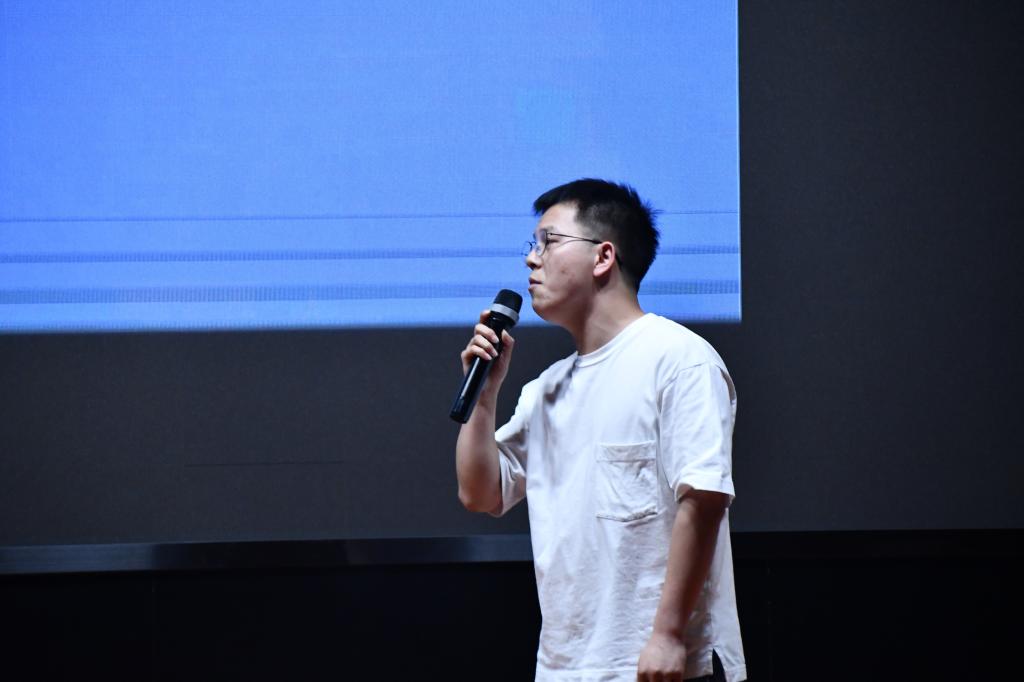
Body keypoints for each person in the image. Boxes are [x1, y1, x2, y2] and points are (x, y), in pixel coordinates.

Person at [455, 179, 746, 682]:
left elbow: (703, 498)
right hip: (565, 667)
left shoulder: (678, 359)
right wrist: (484, 396)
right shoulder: (545, 390)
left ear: (603, 256)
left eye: (548, 241)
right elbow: (480, 493)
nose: (531, 259)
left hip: (659, 665)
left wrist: (668, 635)